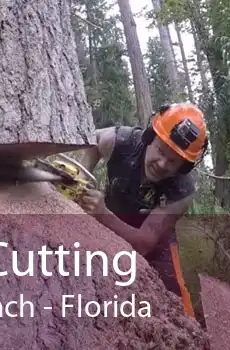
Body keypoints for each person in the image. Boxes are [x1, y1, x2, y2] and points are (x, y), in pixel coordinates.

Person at [76, 103, 209, 318]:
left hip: (154, 239)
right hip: (111, 218)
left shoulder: (182, 191)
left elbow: (145, 243)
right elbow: (93, 140)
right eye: (160, 151)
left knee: (176, 297)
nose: (162, 164)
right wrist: (82, 177)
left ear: (184, 167)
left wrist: (101, 213)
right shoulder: (122, 140)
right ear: (149, 137)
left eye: (173, 161)